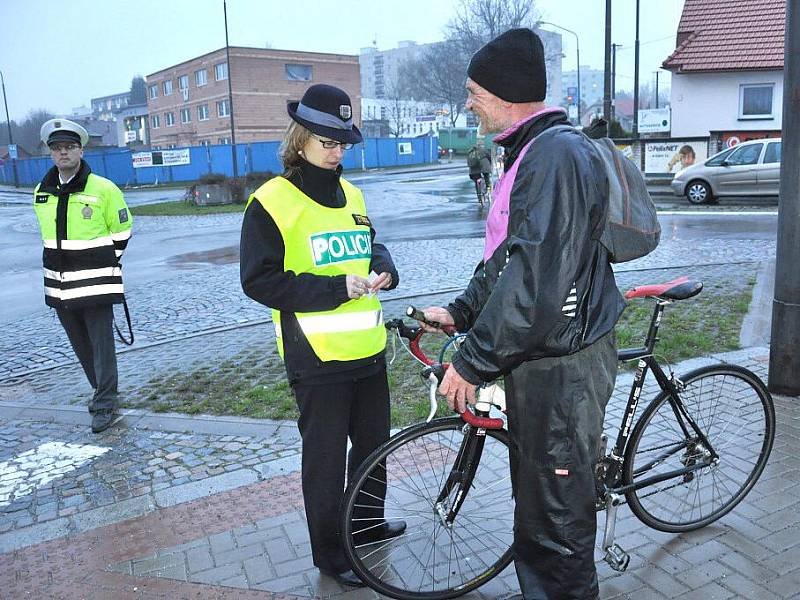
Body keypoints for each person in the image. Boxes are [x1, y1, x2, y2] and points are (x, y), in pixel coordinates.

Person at [420, 29, 625, 600]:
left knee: (558, 521)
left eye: (473, 91)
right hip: (544, 359)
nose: (467, 102)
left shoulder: (556, 155)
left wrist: (474, 361)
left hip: (564, 365)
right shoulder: (531, 149)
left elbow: (536, 283)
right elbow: (509, 259)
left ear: (505, 92)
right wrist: (461, 313)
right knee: (539, 503)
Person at [239, 84, 405, 587]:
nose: (336, 152)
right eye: (327, 142)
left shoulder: (352, 193)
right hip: (315, 356)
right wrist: (334, 288)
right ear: (301, 137)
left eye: (342, 143)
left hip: (367, 348)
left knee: (374, 445)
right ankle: (331, 555)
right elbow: (259, 279)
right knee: (326, 461)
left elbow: (368, 246)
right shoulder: (271, 201)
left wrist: (385, 267)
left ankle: (367, 525)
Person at [33, 118, 132, 434]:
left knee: (102, 345)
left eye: (69, 147)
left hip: (95, 282)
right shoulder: (41, 192)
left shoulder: (103, 188)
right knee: (81, 345)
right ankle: (102, 392)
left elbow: (122, 231)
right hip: (59, 286)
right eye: (57, 148)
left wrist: (104, 263)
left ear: (80, 150)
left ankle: (105, 403)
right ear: (51, 153)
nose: (63, 153)